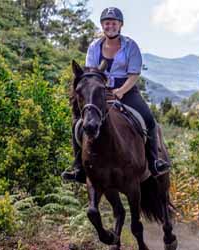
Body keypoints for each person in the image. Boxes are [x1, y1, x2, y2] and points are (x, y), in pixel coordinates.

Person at [62, 7, 170, 183]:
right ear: (102, 25)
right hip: (99, 90)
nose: (110, 26)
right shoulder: (94, 47)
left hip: (126, 89)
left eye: (113, 22)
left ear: (120, 25)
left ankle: (154, 162)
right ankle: (78, 167)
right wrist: (101, 92)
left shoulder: (130, 46)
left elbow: (134, 74)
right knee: (78, 123)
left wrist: (120, 91)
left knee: (149, 119)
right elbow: (91, 73)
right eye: (106, 23)